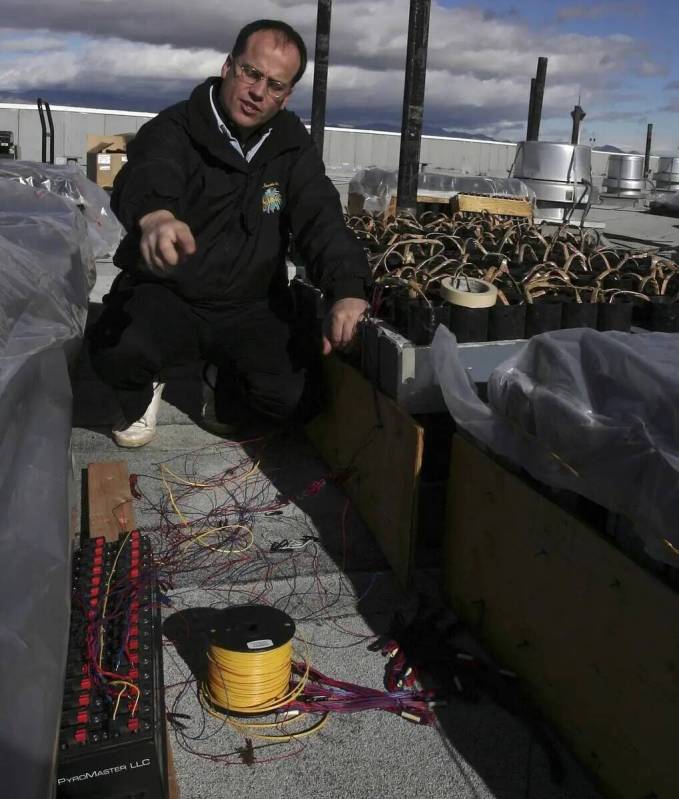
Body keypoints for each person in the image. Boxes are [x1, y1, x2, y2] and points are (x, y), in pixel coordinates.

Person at [89, 19, 371, 447]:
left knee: (296, 400)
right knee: (115, 350)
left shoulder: (293, 147)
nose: (259, 92)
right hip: (170, 293)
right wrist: (157, 217)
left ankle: (219, 377)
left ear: (287, 94)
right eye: (251, 73)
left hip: (249, 302)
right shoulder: (177, 126)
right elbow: (151, 170)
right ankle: (144, 388)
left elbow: (321, 218)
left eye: (275, 85)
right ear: (228, 67)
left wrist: (347, 287)